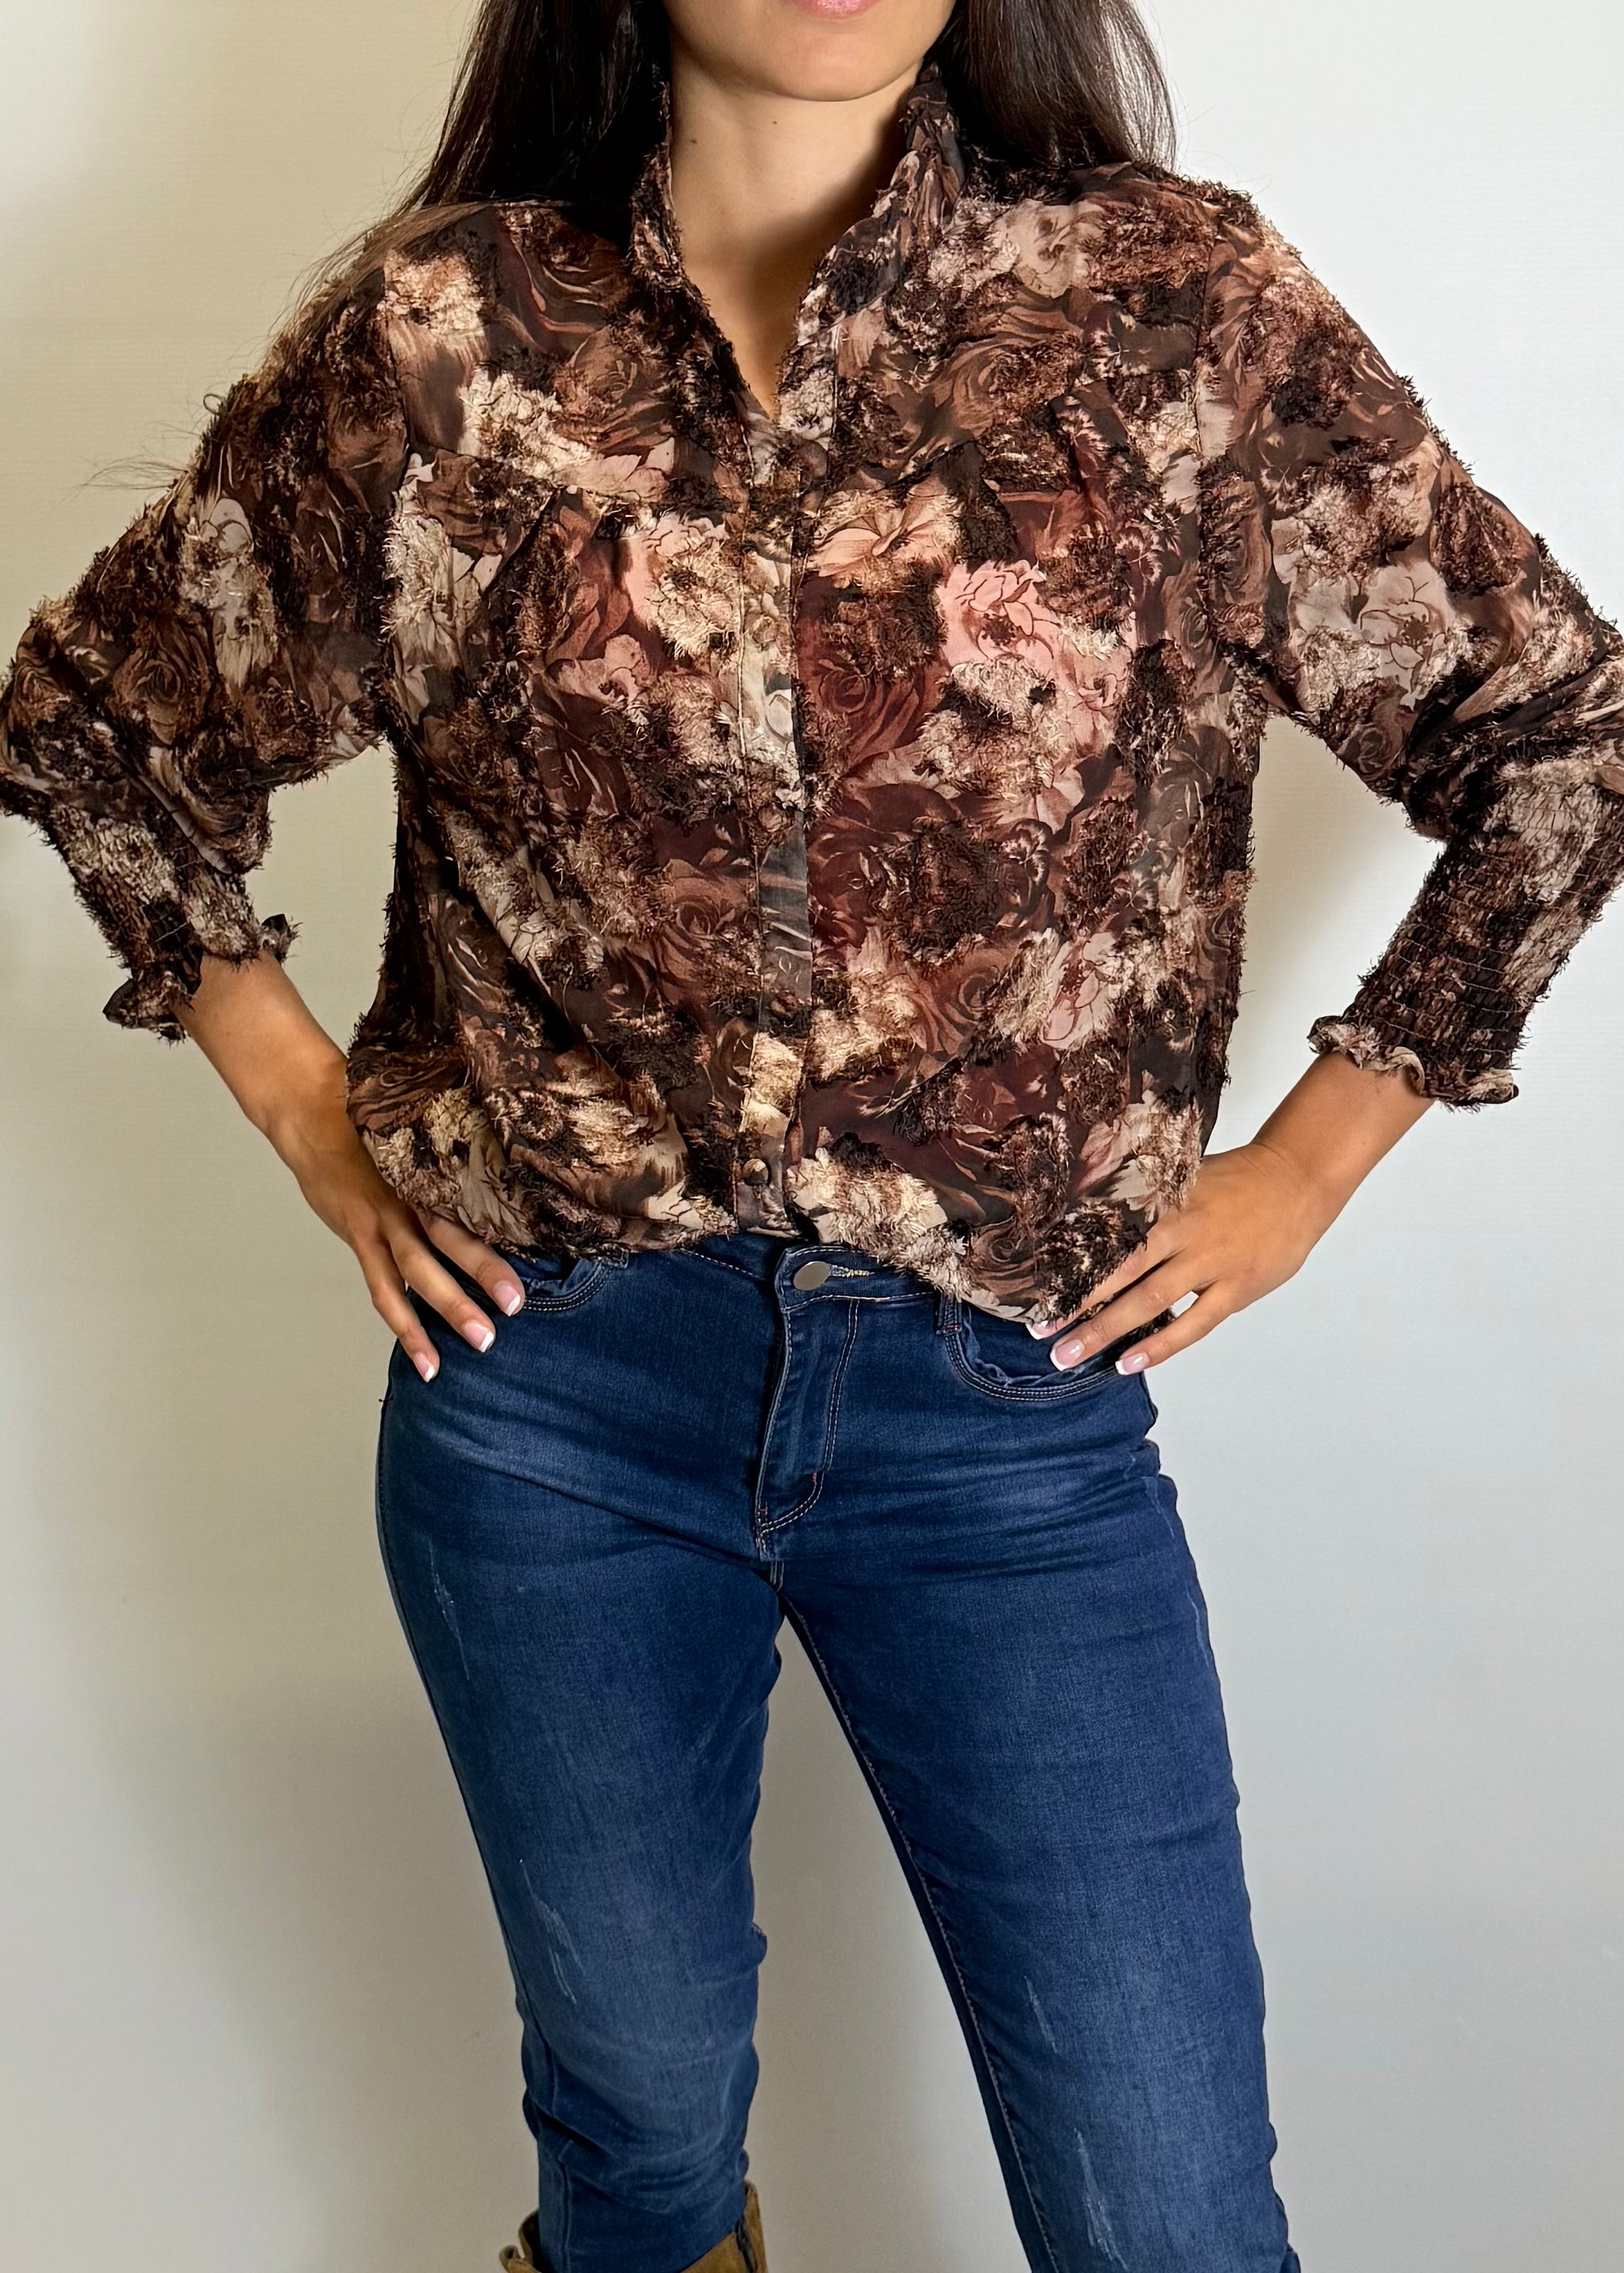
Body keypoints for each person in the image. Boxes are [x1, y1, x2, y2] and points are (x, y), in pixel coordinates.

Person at [3, 0, 1621, 2266]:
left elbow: (1560, 729)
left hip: (1007, 1410)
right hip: (548, 1401)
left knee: (1167, 2216)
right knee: (644, 2147)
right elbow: (101, 726)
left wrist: (1310, 1165)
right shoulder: (447, 340)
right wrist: (323, 1133)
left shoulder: (1175, 314)